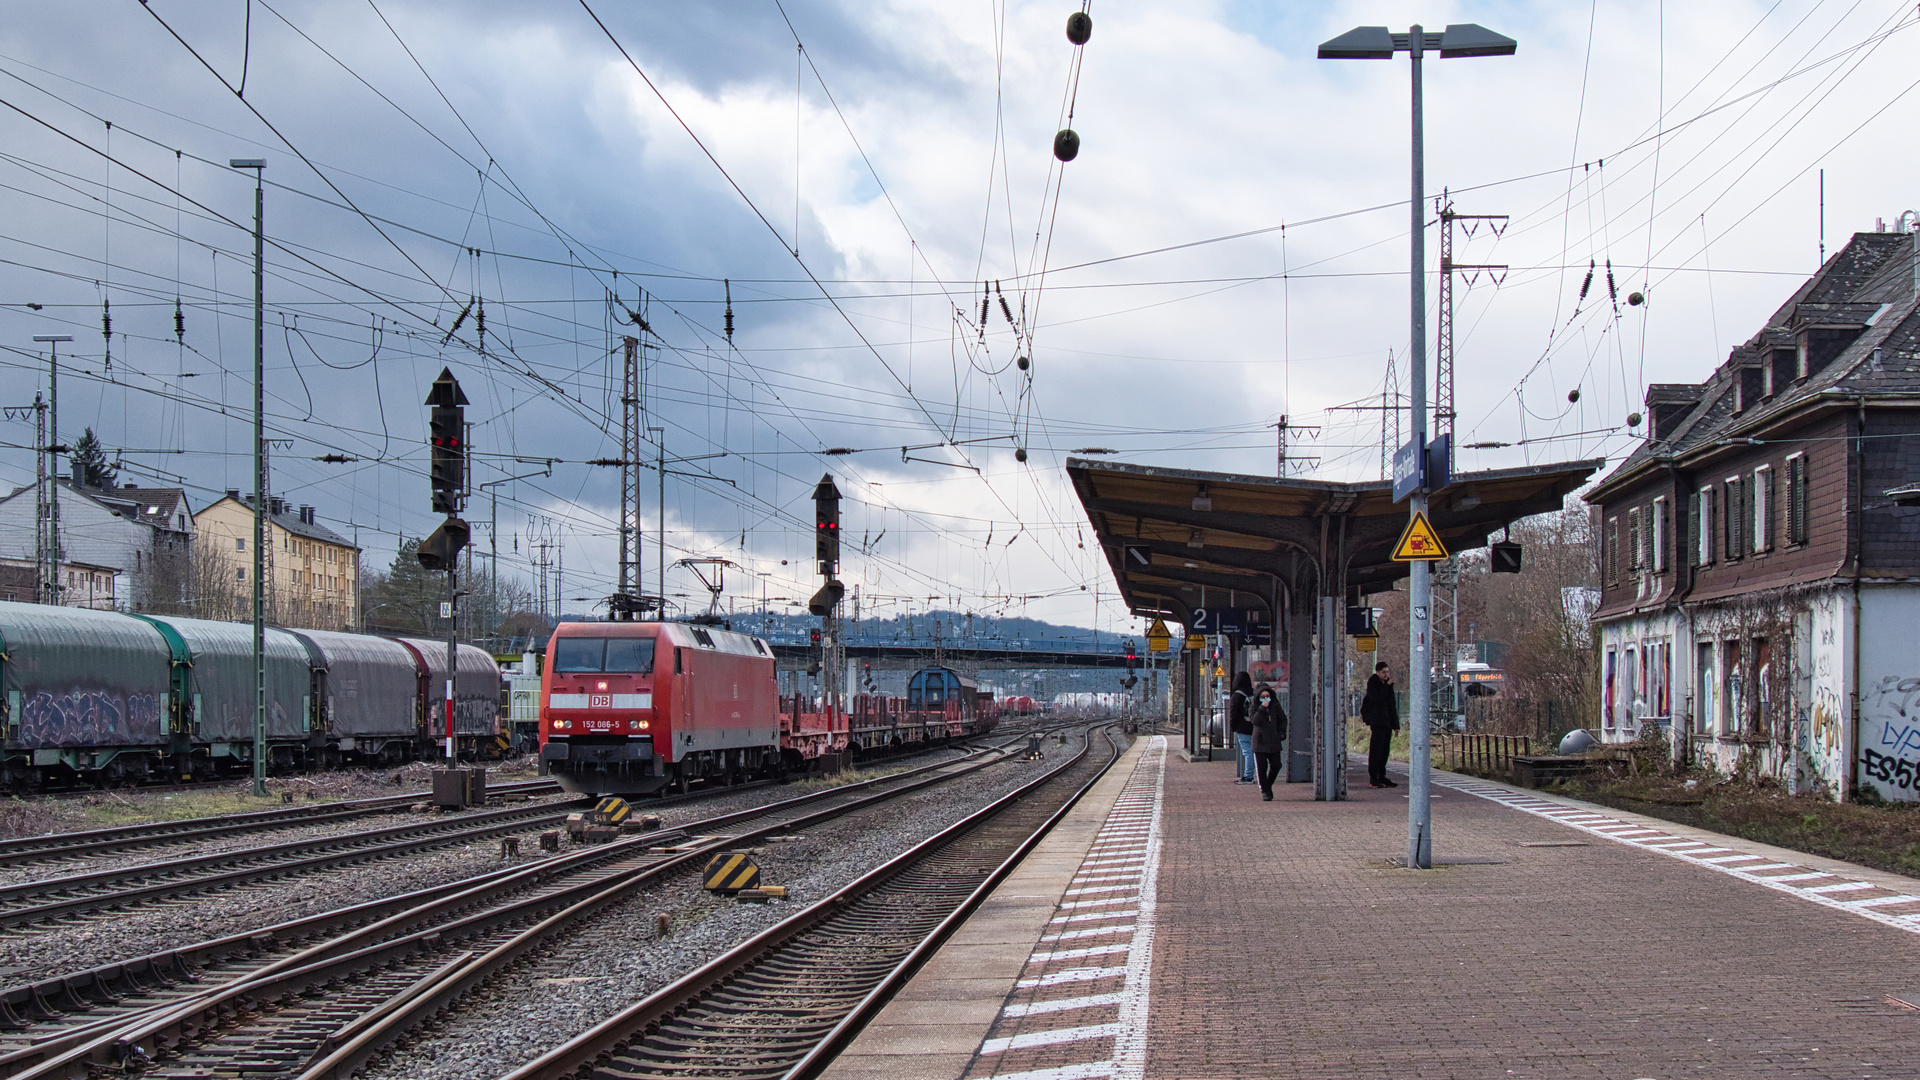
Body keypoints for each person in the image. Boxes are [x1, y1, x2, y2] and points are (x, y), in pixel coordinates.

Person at [1360, 661, 1400, 788]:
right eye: (1383, 672)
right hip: (1378, 722)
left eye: (1387, 672)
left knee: (1384, 751)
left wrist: (1396, 725)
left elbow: (1392, 706)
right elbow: (1377, 699)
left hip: (1387, 722)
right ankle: (1374, 777)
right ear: (1377, 672)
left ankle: (1382, 776)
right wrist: (1386, 687)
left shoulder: (1388, 686)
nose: (1386, 675)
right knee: (1376, 751)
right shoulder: (1374, 684)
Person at [1248, 684, 1286, 801]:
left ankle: (1268, 785)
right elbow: (1254, 720)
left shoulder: (1275, 705)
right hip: (1260, 742)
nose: (1265, 698)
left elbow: (1283, 719)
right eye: (1263, 696)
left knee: (1276, 765)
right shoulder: (1255, 707)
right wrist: (1262, 709)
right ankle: (1265, 791)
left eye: (1267, 696)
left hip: (1273, 741)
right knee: (1262, 768)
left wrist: (1281, 732)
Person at [1229, 671, 1255, 784]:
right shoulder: (1253, 693)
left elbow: (1234, 713)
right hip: (1254, 726)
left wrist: (1233, 727)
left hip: (1242, 728)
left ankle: (1248, 776)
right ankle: (1257, 774)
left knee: (1247, 752)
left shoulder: (1237, 696)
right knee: (1255, 752)